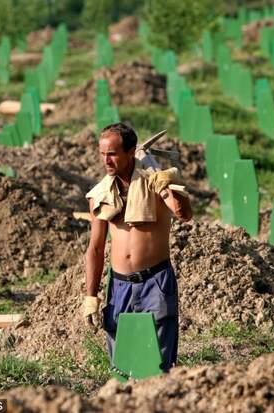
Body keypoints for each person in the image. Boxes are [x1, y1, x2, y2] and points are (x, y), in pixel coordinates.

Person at [83, 122, 192, 372]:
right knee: (122, 363)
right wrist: (91, 295)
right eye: (102, 154)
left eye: (112, 154)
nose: (106, 160)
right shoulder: (101, 194)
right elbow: (96, 249)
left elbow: (183, 213)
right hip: (119, 285)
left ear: (131, 152)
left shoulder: (153, 183)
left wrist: (168, 183)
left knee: (159, 362)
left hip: (155, 280)